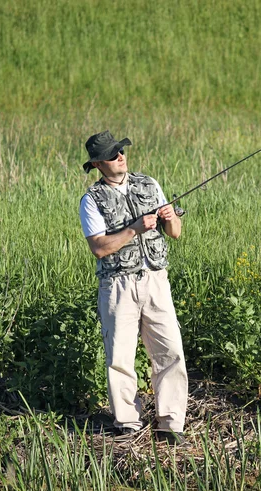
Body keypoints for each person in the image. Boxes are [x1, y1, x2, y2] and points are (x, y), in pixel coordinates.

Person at [80, 130, 188, 444]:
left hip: (156, 279)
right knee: (119, 356)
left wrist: (169, 218)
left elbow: (176, 233)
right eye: (113, 155)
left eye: (122, 151)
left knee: (170, 350)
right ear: (98, 164)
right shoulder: (91, 200)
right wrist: (134, 229)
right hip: (117, 285)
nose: (121, 157)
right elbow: (99, 248)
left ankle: (170, 422)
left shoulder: (149, 184)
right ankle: (126, 421)